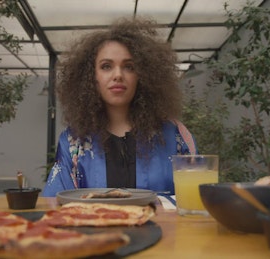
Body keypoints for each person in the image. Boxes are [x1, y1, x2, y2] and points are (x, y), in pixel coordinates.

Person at [42, 17, 197, 197]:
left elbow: (197, 202)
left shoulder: (175, 135)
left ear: (143, 76)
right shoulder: (73, 141)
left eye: (129, 67)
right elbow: (56, 203)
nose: (118, 75)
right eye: (106, 66)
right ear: (92, 77)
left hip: (163, 226)